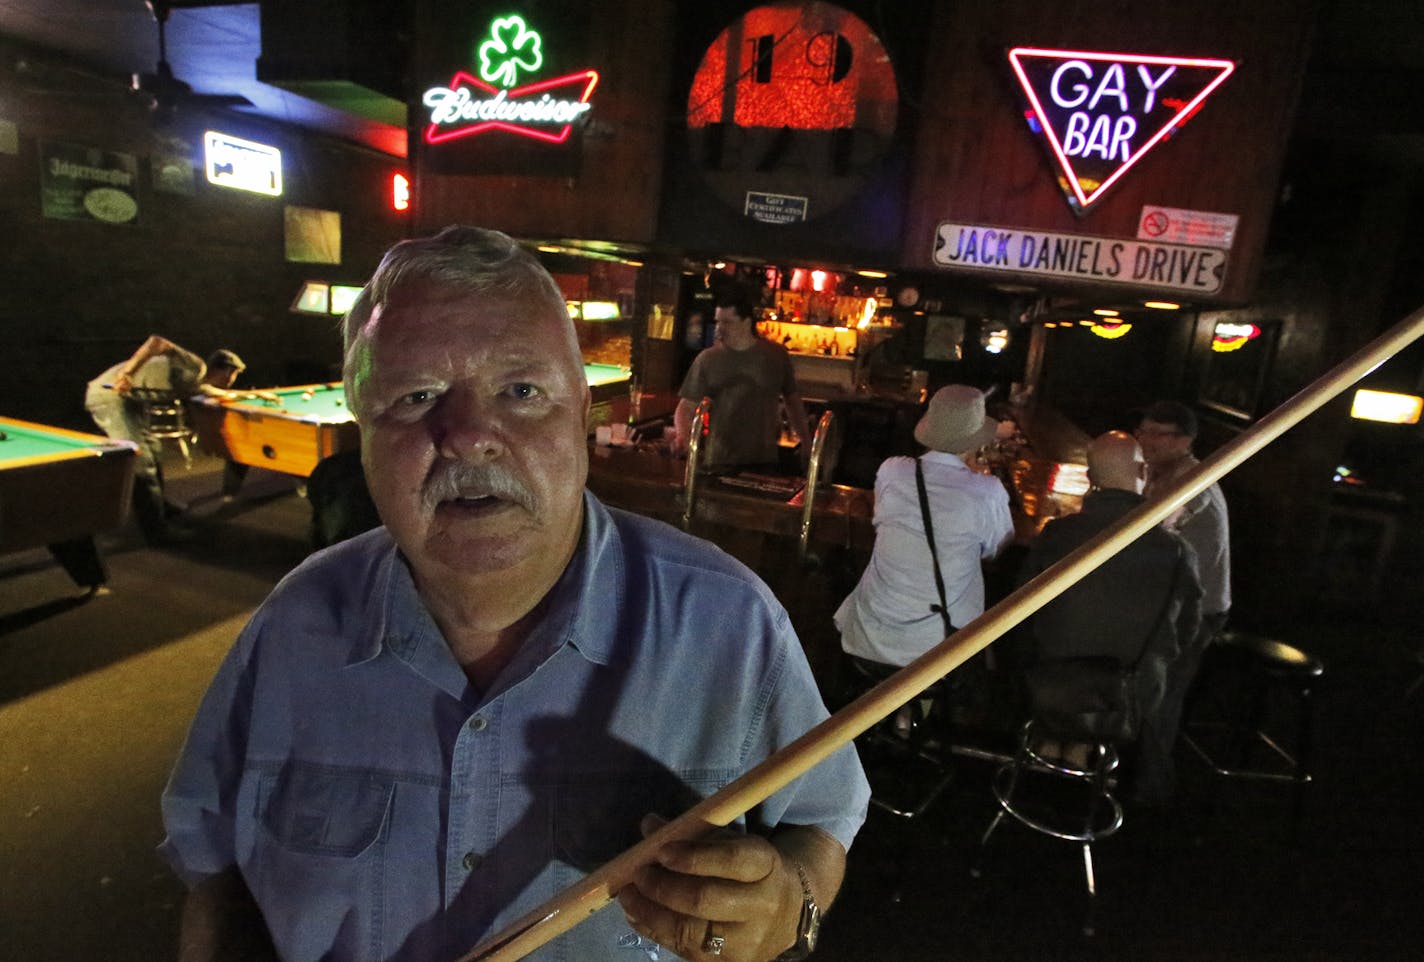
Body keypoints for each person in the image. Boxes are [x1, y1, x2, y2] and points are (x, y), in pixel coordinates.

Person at [159, 226, 869, 962]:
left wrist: (792, 904)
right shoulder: (291, 628)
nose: (469, 435)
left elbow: (822, 824)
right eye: (416, 396)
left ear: (585, 421)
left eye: (522, 391)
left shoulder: (731, 624)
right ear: (361, 435)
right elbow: (216, 874)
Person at [1015, 431, 1203, 802]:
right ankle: (1085, 768)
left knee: (1052, 658)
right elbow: (1187, 632)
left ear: (1090, 478)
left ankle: (1052, 756)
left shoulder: (1057, 534)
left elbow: (1020, 613)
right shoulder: (1176, 551)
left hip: (1047, 685)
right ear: (1142, 471)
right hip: (1126, 699)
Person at [834, 384, 1015, 668]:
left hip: (869, 633)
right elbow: (997, 550)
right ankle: (919, 711)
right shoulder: (986, 491)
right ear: (975, 441)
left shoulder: (892, 470)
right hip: (936, 647)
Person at [85, 338, 255, 542]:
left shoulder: (194, 385)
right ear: (227, 371)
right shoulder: (195, 366)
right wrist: (128, 373)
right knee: (141, 460)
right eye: (233, 375)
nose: (231, 381)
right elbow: (157, 342)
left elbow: (217, 393)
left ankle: (160, 506)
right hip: (109, 396)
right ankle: (155, 532)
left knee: (155, 450)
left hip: (131, 402)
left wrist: (251, 396)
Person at [672, 290, 813, 474]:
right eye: (718, 321)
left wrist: (806, 441)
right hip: (719, 461)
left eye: (727, 323)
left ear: (746, 322)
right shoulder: (708, 359)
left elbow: (792, 401)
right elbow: (686, 407)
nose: (719, 329)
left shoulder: (775, 356)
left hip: (764, 458)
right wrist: (683, 436)